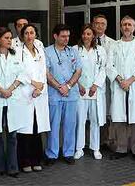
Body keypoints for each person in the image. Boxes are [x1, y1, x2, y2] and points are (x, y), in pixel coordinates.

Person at [0, 27, 27, 177]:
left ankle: (13, 167)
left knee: (12, 135)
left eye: (10, 37)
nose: (10, 40)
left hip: (12, 99)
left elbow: (22, 75)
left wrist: (10, 89)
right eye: (6, 38)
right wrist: (2, 91)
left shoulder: (15, 56)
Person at [107, 16, 135, 162]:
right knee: (119, 120)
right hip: (119, 86)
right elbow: (109, 65)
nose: (127, 27)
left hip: (134, 86)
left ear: (134, 28)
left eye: (130, 25)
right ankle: (121, 148)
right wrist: (120, 80)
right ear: (120, 27)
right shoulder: (114, 45)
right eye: (124, 24)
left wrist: (129, 81)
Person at [44, 24, 82, 165]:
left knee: (70, 124)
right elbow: (46, 72)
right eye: (63, 36)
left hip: (71, 94)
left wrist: (68, 86)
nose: (66, 39)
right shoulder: (47, 52)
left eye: (68, 36)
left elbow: (78, 70)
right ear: (55, 36)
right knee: (53, 125)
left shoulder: (73, 51)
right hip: (54, 93)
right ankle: (52, 154)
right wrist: (59, 87)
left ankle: (68, 153)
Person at [16, 24, 50, 173]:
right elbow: (18, 72)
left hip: (39, 94)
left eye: (32, 33)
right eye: (27, 33)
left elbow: (43, 72)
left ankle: (36, 159)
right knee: (24, 131)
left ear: (36, 35)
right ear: (23, 36)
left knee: (37, 129)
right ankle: (24, 161)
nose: (30, 36)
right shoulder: (18, 52)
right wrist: (32, 85)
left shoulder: (40, 51)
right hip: (25, 94)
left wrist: (40, 88)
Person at [73, 24, 107, 161]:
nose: (86, 36)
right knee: (80, 120)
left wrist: (95, 86)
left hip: (95, 91)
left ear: (93, 36)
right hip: (80, 90)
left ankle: (95, 148)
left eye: (89, 34)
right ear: (81, 35)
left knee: (95, 120)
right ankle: (79, 148)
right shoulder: (75, 50)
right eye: (84, 34)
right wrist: (78, 85)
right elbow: (72, 70)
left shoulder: (100, 50)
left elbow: (103, 69)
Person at [92, 14, 116, 149]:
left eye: (102, 24)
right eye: (97, 23)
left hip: (107, 83)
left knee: (106, 113)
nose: (99, 26)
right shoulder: (87, 40)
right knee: (92, 113)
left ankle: (106, 140)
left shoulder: (113, 43)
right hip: (92, 84)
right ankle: (93, 141)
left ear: (106, 26)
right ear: (93, 24)